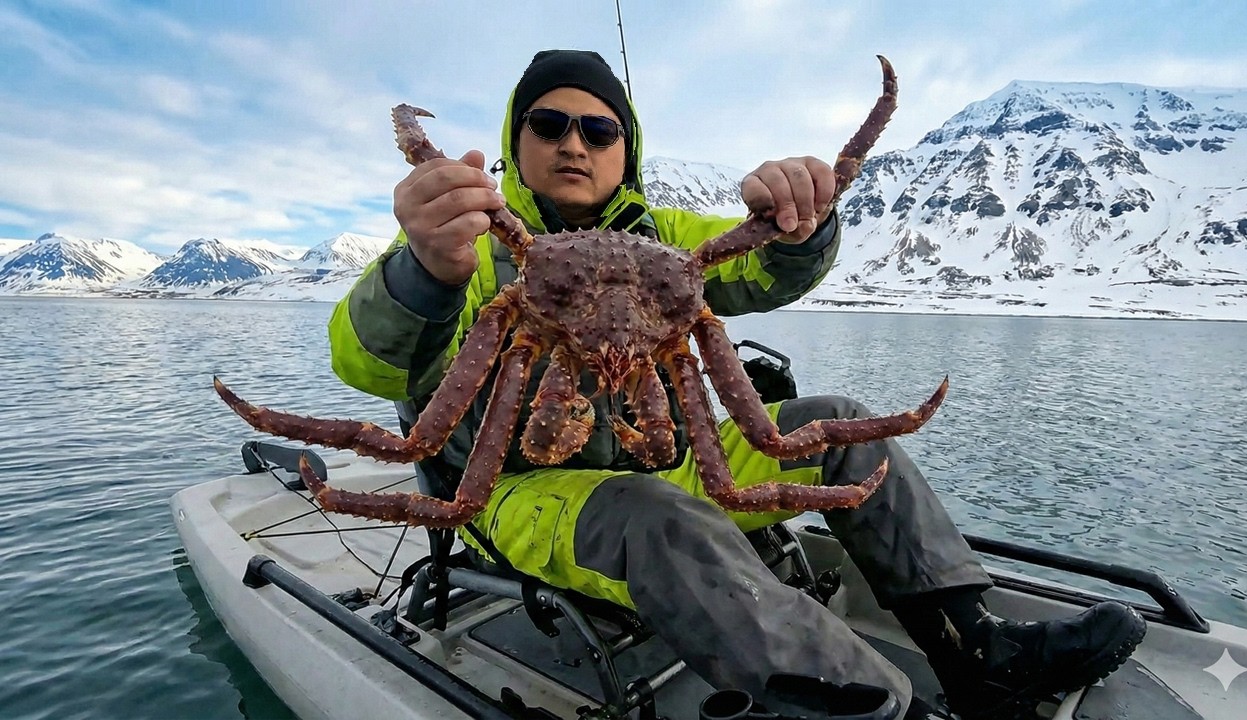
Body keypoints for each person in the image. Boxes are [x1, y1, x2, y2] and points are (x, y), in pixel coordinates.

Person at [328, 49, 1146, 719]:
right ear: (516, 140)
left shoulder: (666, 242)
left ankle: (978, 650)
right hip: (519, 491)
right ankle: (872, 707)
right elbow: (370, 363)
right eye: (550, 124)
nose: (575, 144)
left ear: (625, 150)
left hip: (673, 466)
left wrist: (802, 221)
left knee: (838, 423)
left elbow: (765, 265)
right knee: (653, 514)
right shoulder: (466, 242)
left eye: (599, 129)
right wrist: (425, 273)